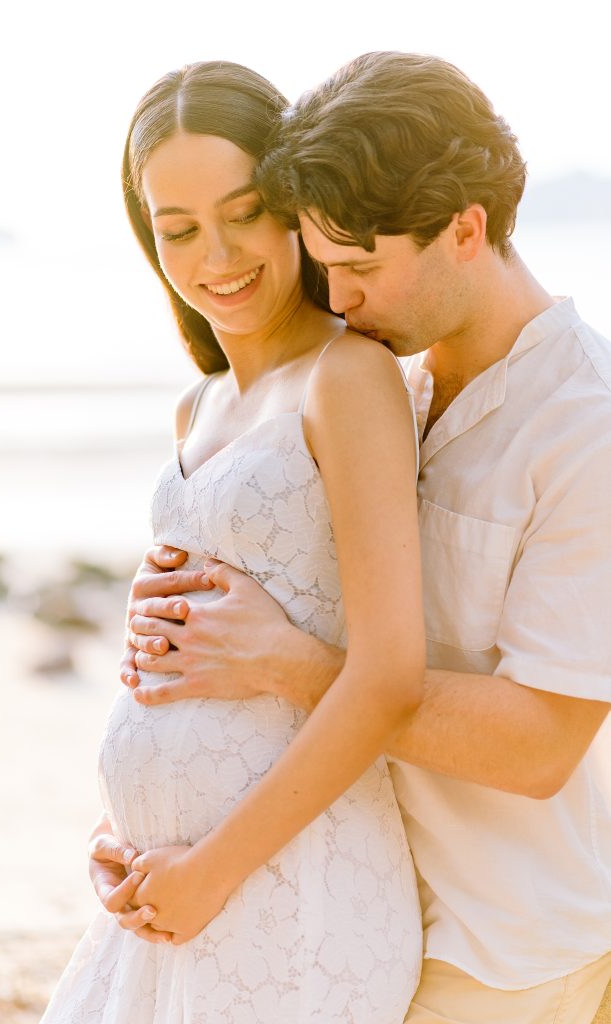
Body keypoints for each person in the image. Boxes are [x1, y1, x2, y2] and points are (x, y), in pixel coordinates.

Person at [97, 52, 611, 1024]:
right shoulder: (397, 380)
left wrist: (287, 662)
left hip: (505, 939)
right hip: (365, 895)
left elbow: (542, 743)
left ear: (464, 229)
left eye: (359, 268)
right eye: (322, 262)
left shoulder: (583, 425)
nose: (333, 300)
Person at [41, 60, 427, 1023]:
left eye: (245, 211)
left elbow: (387, 676)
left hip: (289, 882)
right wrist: (120, 828)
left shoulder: (348, 380)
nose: (216, 255)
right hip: (169, 886)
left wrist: (212, 869)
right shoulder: (197, 406)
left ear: (293, 204)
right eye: (177, 231)